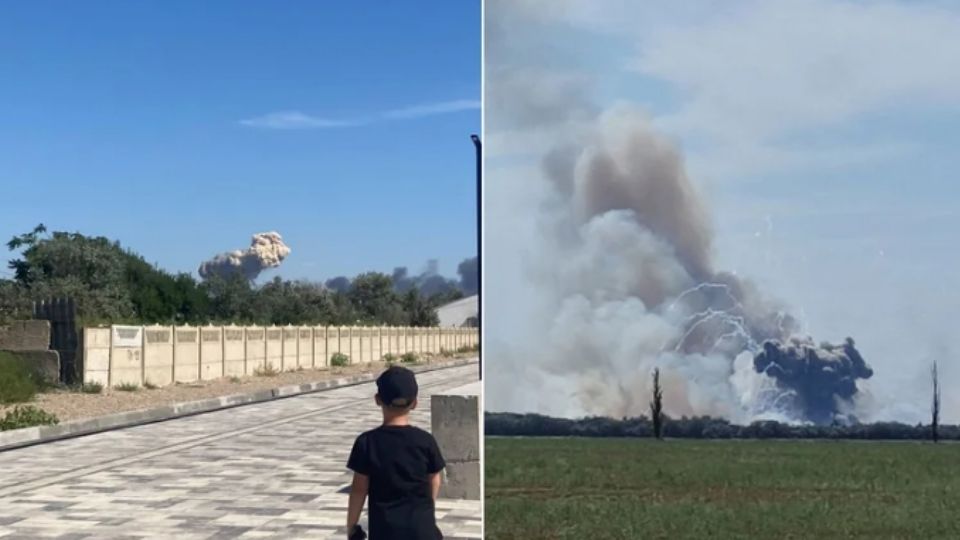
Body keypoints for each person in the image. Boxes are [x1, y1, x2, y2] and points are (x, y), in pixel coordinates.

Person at [346, 366, 445, 539]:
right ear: (415, 402)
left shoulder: (367, 442)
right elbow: (435, 479)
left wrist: (352, 527)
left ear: (377, 400)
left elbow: (359, 490)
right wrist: (426, 513)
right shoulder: (425, 440)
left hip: (385, 531)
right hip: (422, 530)